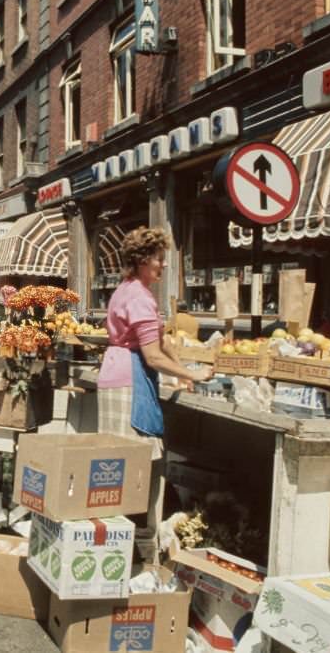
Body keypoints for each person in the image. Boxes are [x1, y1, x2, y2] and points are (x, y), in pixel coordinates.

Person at [97, 227, 213, 537]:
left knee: (116, 466)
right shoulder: (139, 298)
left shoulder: (128, 290)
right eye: (159, 259)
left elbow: (162, 344)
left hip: (116, 373)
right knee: (132, 466)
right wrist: (195, 374)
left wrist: (180, 373)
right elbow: (153, 356)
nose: (163, 265)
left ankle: (120, 533)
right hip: (128, 380)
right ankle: (130, 538)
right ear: (143, 260)